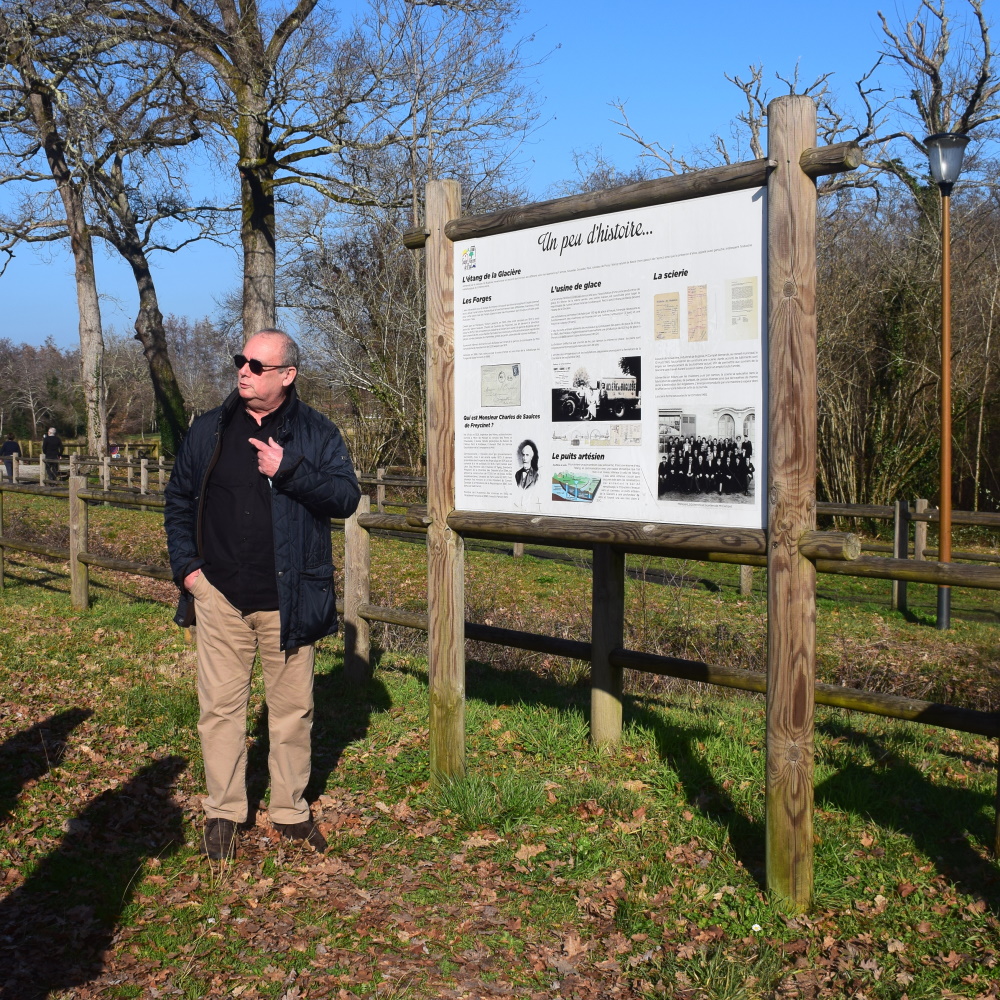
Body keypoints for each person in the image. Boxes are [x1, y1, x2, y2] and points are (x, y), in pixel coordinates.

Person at [164, 329, 360, 861]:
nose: (243, 371)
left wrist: (289, 470)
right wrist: (189, 573)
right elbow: (179, 499)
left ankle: (291, 811)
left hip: (287, 600)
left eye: (257, 364)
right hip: (219, 597)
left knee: (292, 711)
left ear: (287, 376)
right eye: (240, 360)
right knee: (221, 710)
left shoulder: (317, 433)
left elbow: (346, 496)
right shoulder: (210, 429)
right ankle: (225, 811)